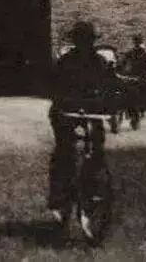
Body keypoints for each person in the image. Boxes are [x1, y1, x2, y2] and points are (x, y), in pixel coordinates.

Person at [47, 21, 120, 225]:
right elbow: (53, 87)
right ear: (76, 41)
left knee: (97, 147)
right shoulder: (65, 63)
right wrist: (62, 105)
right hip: (66, 112)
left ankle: (94, 187)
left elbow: (110, 87)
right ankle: (58, 198)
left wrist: (112, 109)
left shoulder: (100, 63)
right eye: (81, 40)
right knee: (65, 150)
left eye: (88, 40)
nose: (85, 44)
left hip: (92, 112)